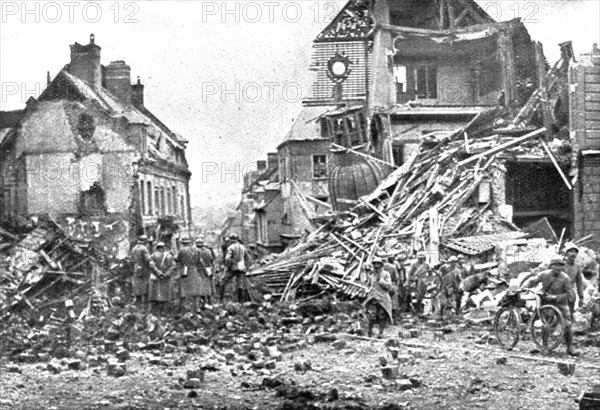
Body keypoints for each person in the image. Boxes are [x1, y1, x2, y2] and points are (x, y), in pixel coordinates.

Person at [522, 257, 579, 356]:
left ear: (562, 267)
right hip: (546, 302)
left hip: (560, 302)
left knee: (567, 324)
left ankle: (570, 347)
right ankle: (544, 346)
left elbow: (570, 294)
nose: (557, 267)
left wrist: (555, 297)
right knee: (546, 323)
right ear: (551, 266)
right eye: (555, 265)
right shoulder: (545, 274)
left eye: (560, 265)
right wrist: (525, 286)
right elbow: (533, 280)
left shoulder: (565, 278)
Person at [364, 257, 394, 338]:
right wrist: (367, 290)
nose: (376, 265)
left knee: (382, 315)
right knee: (371, 316)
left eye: (378, 264)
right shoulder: (371, 274)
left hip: (383, 298)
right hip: (373, 298)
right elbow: (368, 284)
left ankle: (380, 333)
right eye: (375, 264)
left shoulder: (386, 274)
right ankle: (369, 332)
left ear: (381, 265)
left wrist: (381, 281)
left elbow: (389, 286)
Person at [174, 236, 203, 313]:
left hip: (185, 271)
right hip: (194, 270)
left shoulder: (182, 250)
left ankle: (182, 308)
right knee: (196, 289)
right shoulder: (197, 250)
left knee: (183, 289)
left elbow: (177, 259)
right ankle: (196, 308)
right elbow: (199, 261)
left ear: (183, 243)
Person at [129, 235, 156, 311]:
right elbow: (147, 259)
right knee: (146, 285)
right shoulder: (144, 248)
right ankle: (145, 305)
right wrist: (152, 257)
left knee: (137, 285)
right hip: (144, 268)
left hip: (136, 267)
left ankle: (137, 303)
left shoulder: (134, 248)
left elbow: (131, 258)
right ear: (145, 242)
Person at [221, 234, 250, 303]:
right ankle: (240, 301)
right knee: (240, 284)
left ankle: (221, 299)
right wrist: (245, 266)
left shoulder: (230, 247)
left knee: (222, 281)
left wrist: (229, 266)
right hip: (241, 268)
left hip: (232, 268)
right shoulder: (243, 247)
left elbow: (227, 258)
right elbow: (248, 258)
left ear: (231, 240)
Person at [148, 242, 174, 315]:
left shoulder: (152, 256)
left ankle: (155, 311)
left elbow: (152, 266)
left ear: (157, 248)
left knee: (156, 293)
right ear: (163, 247)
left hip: (156, 277)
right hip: (166, 278)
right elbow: (173, 266)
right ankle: (164, 311)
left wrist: (159, 273)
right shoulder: (169, 256)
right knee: (166, 294)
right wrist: (166, 274)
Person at [563, 243, 584, 318]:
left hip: (570, 293)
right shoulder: (560, 264)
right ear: (566, 253)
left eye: (575, 252)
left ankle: (567, 328)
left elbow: (579, 282)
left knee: (570, 314)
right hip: (558, 292)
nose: (573, 254)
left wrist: (581, 297)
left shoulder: (577, 267)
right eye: (570, 251)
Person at [196, 238, 216, 307]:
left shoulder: (194, 251)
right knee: (208, 286)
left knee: (200, 287)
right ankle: (210, 302)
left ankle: (203, 302)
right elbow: (212, 259)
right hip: (207, 270)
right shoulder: (207, 251)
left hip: (198, 271)